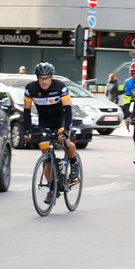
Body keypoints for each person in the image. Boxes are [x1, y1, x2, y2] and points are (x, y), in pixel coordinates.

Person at [23, 62, 79, 203]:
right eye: (41, 78)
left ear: (51, 77)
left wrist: (66, 129)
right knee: (45, 153)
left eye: (47, 78)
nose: (44, 81)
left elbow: (68, 108)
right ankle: (53, 188)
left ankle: (74, 162)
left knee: (65, 142)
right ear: (37, 78)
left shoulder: (60, 86)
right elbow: (26, 111)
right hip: (45, 122)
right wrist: (27, 129)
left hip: (60, 120)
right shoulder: (31, 89)